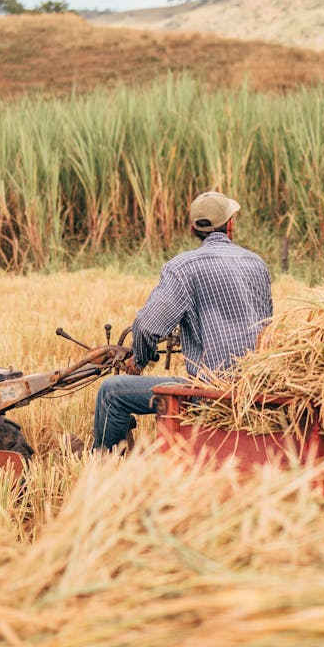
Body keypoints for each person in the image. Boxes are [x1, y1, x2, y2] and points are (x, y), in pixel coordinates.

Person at [93, 190, 273, 453]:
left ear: (193, 229)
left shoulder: (183, 268)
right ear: (230, 224)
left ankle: (106, 474)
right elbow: (268, 329)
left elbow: (147, 327)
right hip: (255, 391)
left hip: (210, 395)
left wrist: (140, 360)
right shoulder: (257, 264)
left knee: (111, 392)